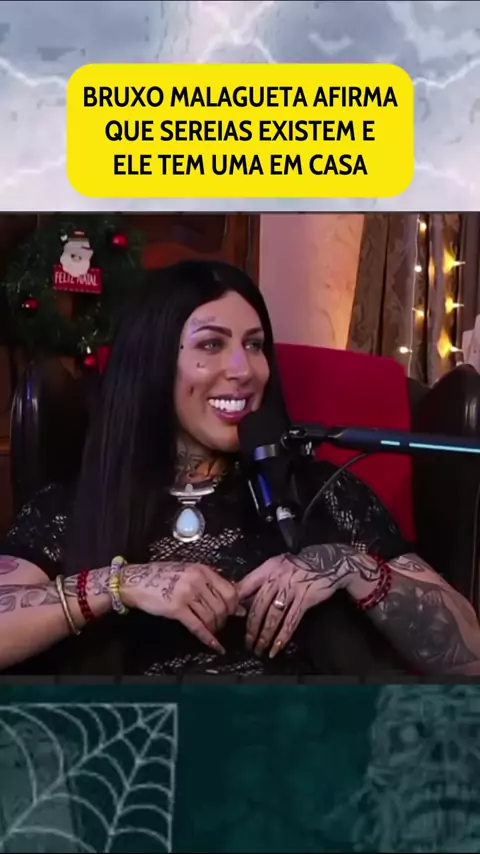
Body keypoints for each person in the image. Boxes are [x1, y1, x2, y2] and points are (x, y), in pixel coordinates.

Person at [1, 259, 480, 677]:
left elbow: (471, 655)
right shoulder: (73, 506)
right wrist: (118, 584)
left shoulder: (325, 492)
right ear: (152, 363)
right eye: (211, 345)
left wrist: (352, 568)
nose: (245, 369)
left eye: (254, 345)